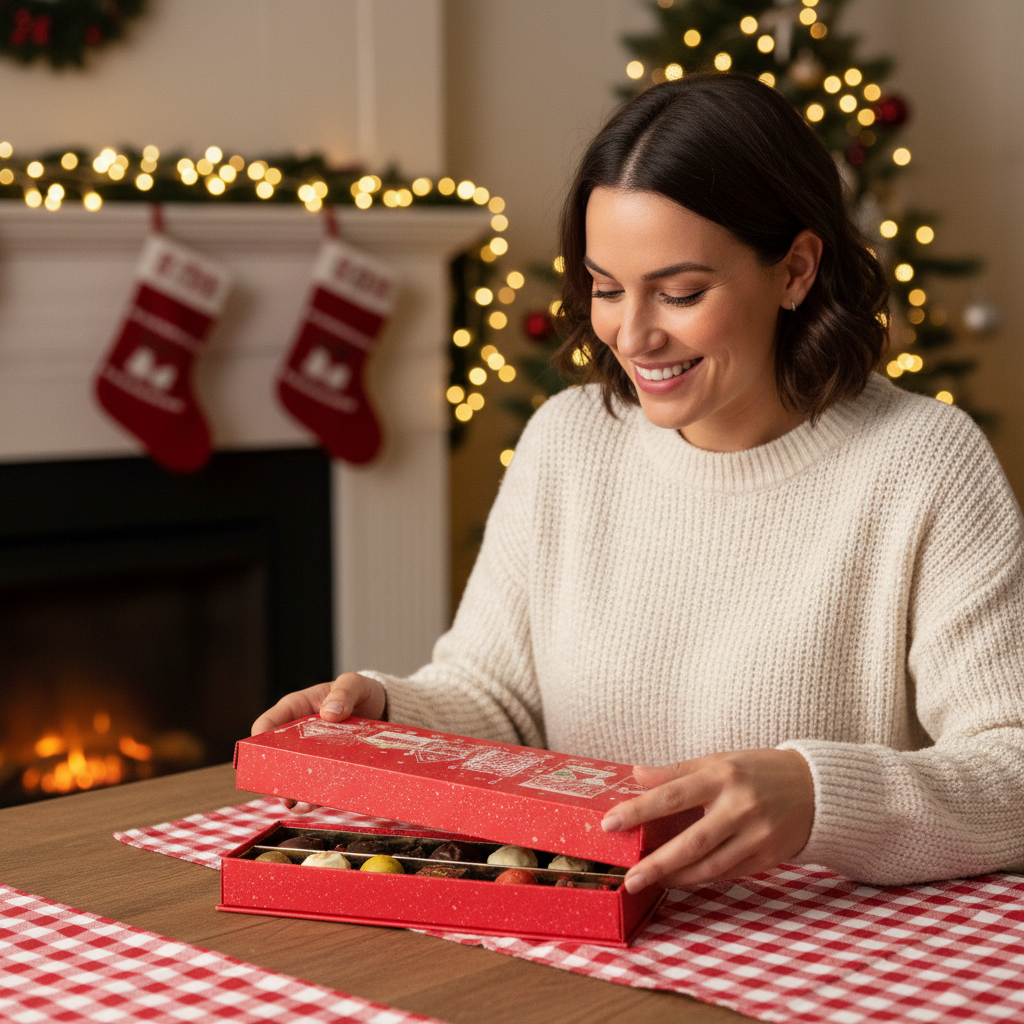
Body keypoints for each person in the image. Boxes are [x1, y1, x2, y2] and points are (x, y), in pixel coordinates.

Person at [254, 73, 1024, 892]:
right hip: (587, 930)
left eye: (681, 292)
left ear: (796, 270)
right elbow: (495, 695)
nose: (633, 333)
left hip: (813, 957)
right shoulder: (567, 441)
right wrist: (384, 712)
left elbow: (1012, 767)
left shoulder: (925, 461)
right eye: (607, 288)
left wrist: (815, 796)